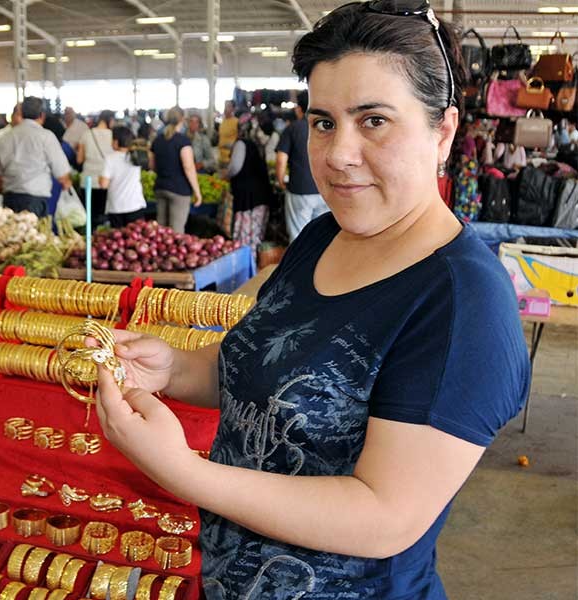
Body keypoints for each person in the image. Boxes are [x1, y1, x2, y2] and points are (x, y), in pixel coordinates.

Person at [93, 3, 530, 599]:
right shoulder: (324, 235)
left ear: (443, 132)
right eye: (323, 122)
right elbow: (263, 373)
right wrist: (173, 367)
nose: (338, 154)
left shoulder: (461, 304)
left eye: (373, 120)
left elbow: (384, 517)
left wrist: (184, 472)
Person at [0, 96, 73, 217]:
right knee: (34, 234)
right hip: (35, 200)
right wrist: (66, 182)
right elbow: (62, 174)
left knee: (12, 234)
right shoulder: (46, 137)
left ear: (21, 113)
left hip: (10, 199)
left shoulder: (5, 138)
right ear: (42, 115)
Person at [276, 91, 330, 241]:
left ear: (299, 109)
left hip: (300, 190)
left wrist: (280, 180)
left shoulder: (292, 129)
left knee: (299, 237)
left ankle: (302, 265)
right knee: (322, 236)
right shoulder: (327, 125)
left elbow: (281, 159)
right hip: (324, 190)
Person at [149, 107, 203, 234]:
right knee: (176, 232)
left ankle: (161, 253)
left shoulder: (157, 140)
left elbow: (152, 165)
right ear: (183, 120)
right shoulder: (183, 141)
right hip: (179, 190)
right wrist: (197, 192)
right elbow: (189, 168)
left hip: (160, 187)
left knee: (161, 230)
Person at [227, 124, 273, 248]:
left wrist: (226, 174)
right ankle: (253, 262)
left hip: (247, 195)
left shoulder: (241, 144)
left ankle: (245, 263)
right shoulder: (260, 143)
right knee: (256, 233)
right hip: (261, 192)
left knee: (244, 234)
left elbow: (235, 167)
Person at [100, 126, 147, 228]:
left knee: (119, 240)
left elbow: (103, 184)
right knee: (136, 239)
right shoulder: (136, 156)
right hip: (135, 205)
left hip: (117, 207)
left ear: (116, 142)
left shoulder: (110, 158)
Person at [77, 110, 115, 227]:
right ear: (110, 120)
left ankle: (90, 240)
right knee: (103, 217)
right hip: (105, 181)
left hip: (87, 181)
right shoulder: (113, 136)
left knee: (90, 218)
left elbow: (79, 159)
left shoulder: (86, 134)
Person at [218, 100, 239, 165]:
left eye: (228, 106)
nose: (225, 108)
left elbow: (239, 141)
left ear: (233, 109)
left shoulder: (236, 122)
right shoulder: (223, 121)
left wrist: (226, 145)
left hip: (231, 159)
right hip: (221, 158)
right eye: (225, 106)